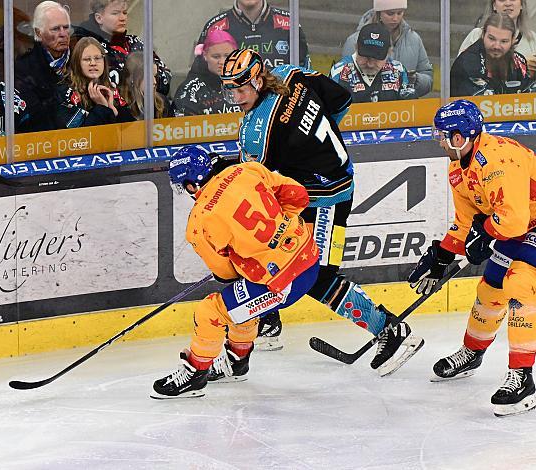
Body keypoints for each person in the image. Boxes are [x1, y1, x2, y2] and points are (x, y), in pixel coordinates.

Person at [218, 48, 424, 367]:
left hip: (328, 198)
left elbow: (254, 182)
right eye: (230, 89)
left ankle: (391, 330)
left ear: (258, 81)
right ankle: (268, 318)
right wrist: (315, 146)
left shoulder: (256, 130)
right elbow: (341, 98)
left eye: (241, 88)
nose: (235, 97)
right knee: (280, 255)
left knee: (316, 276)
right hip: (329, 185)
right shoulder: (292, 74)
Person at [408, 99, 536, 417]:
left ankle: (522, 378)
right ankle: (472, 353)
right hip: (520, 224)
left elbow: (509, 221)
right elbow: (465, 222)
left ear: (459, 137)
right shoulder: (458, 167)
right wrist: (443, 254)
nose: (439, 140)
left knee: (519, 283)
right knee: (490, 289)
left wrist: (485, 233)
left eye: (442, 135)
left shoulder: (499, 160)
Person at [152, 146, 322, 398]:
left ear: (190, 185)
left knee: (210, 311)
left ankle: (196, 373)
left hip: (282, 285)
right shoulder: (246, 170)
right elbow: (298, 196)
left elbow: (226, 274)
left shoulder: (199, 222)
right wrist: (279, 231)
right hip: (310, 258)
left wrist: (248, 256)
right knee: (239, 302)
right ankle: (237, 362)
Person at [76, 0, 171, 95]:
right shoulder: (90, 49)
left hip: (146, 106)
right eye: (115, 13)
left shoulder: (135, 42)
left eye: (125, 12)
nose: (123, 18)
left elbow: (166, 78)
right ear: (99, 18)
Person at [341, 0, 433, 97]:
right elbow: (343, 78)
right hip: (366, 107)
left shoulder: (414, 39)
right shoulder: (355, 41)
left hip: (404, 108)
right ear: (379, 12)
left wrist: (414, 80)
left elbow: (428, 77)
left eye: (399, 13)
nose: (395, 18)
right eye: (390, 13)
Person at [195, 0, 310, 71]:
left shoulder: (290, 24)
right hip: (232, 107)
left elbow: (305, 73)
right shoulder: (215, 27)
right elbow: (200, 77)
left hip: (280, 106)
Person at [15, 1, 71, 131]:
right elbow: (37, 118)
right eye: (55, 29)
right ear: (39, 33)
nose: (63, 34)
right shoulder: (23, 68)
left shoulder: (82, 58)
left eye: (66, 27)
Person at [450, 12, 536, 96]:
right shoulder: (468, 63)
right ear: (483, 35)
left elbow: (531, 100)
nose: (497, 46)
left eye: (504, 41)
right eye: (492, 39)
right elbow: (486, 104)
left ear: (513, 40)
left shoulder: (519, 63)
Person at [56, 36, 133, 128]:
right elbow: (81, 137)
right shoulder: (65, 93)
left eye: (97, 58)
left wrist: (114, 111)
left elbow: (132, 130)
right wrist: (102, 107)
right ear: (77, 63)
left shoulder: (111, 89)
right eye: (87, 59)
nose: (93, 63)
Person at [331, 23, 416, 103]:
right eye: (365, 56)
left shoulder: (398, 71)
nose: (370, 64)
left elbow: (412, 109)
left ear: (389, 52)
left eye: (377, 58)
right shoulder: (339, 72)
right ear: (356, 47)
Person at [458, 0, 536, 78]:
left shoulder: (533, 38)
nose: (508, 3)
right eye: (502, 0)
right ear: (494, 5)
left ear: (522, 4)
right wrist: (521, 64)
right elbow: (462, 70)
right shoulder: (476, 35)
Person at [173, 30, 241, 116]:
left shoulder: (246, 84)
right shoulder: (190, 91)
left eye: (227, 56)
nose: (222, 61)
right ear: (205, 55)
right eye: (216, 57)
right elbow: (184, 126)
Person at [118, 51, 173, 120]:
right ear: (132, 78)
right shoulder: (120, 105)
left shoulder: (162, 102)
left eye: (155, 76)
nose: (154, 82)